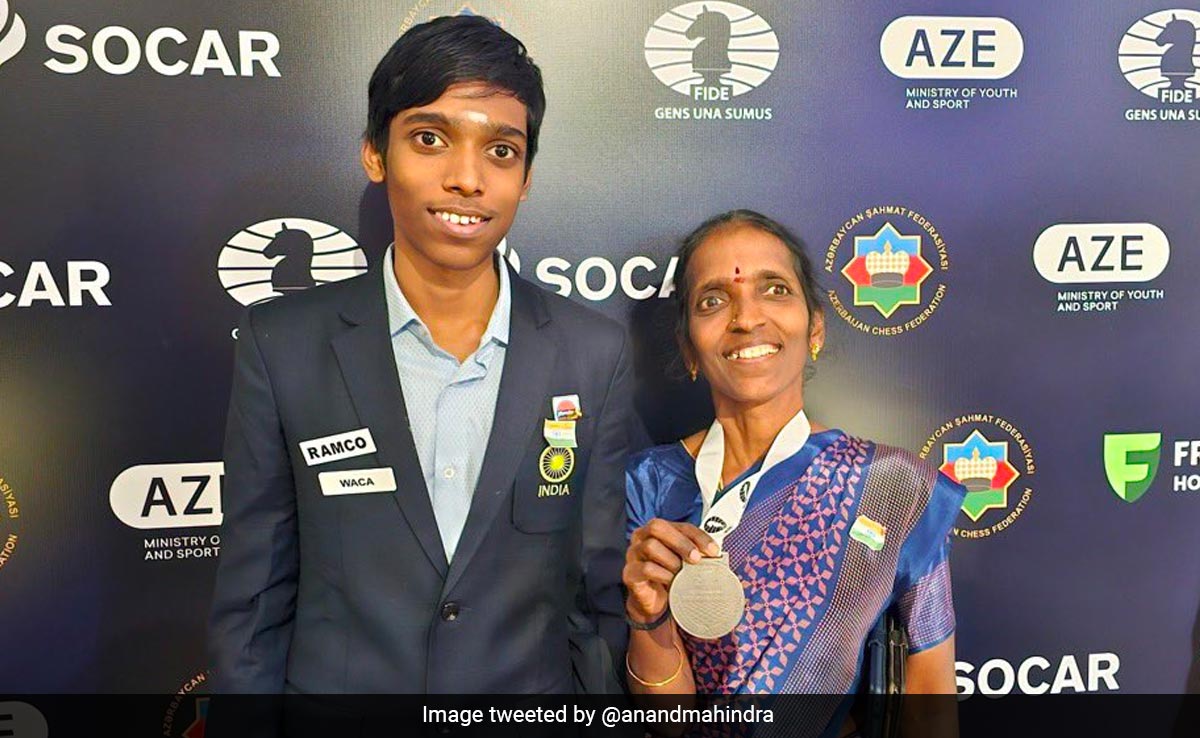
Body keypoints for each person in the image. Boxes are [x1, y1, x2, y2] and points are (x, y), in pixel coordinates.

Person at [207, 15, 631, 698]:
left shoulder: (592, 353)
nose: (467, 179)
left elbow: (596, 594)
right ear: (375, 154)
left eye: (501, 150)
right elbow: (254, 603)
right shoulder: (283, 344)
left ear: (525, 176)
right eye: (430, 139)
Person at [622, 210, 964, 734]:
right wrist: (650, 619)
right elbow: (669, 723)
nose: (746, 317)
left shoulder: (892, 487)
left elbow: (930, 702)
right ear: (690, 349)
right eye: (713, 300)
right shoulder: (646, 487)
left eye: (775, 290)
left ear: (815, 328)